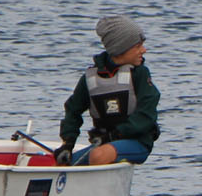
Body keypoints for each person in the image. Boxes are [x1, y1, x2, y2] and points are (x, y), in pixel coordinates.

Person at [59, 14, 160, 165]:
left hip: (137, 143)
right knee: (61, 163)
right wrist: (67, 144)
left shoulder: (140, 74)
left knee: (98, 155)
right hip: (103, 144)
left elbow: (146, 115)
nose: (144, 50)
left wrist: (115, 135)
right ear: (120, 49)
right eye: (138, 46)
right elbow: (73, 110)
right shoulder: (91, 78)